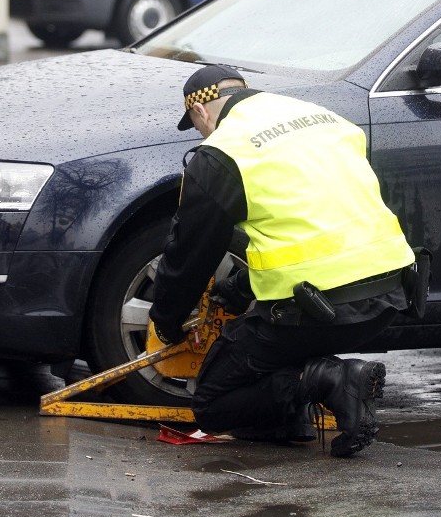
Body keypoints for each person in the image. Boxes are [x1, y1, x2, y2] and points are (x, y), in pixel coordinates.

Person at [149, 65, 418, 457]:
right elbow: (311, 218)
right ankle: (286, 419)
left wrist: (167, 319)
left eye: (197, 126)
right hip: (390, 295)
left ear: (200, 113)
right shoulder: (319, 117)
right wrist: (241, 286)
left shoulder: (224, 151)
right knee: (266, 339)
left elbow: (190, 253)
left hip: (322, 310)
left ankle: (332, 380)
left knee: (212, 404)